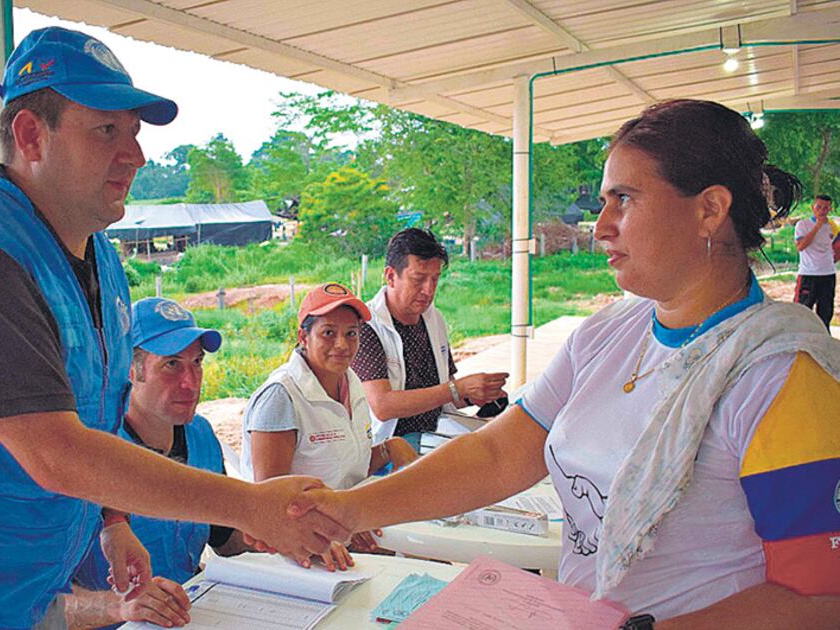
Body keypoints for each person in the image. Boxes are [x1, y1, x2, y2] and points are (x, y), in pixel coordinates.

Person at [287, 100, 840, 627]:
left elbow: (819, 599)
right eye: (605, 201)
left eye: (624, 199)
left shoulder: (780, 375)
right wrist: (349, 510)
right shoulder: (607, 333)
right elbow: (500, 452)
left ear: (709, 209)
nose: (601, 226)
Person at [0, 27, 345, 629]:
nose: (134, 155)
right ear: (31, 135)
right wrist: (249, 506)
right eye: (106, 131)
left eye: (133, 133)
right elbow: (54, 450)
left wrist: (111, 519)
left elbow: (93, 413)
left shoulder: (99, 256)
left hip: (19, 590)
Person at [66, 298, 252, 629]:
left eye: (197, 362)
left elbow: (226, 541)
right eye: (172, 365)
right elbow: (37, 606)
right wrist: (117, 607)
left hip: (196, 615)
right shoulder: (86, 451)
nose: (191, 382)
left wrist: (288, 537)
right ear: (128, 368)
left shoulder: (201, 436)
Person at [241, 283, 418, 570]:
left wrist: (388, 448)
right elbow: (271, 501)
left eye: (351, 333)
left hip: (345, 531)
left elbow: (346, 466)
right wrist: (333, 529)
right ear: (303, 337)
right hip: (302, 550)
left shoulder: (351, 382)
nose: (342, 345)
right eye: (328, 333)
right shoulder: (281, 396)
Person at [351, 229, 508, 451]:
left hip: (437, 432)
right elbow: (382, 406)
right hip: (388, 447)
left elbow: (446, 393)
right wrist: (456, 389)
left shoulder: (433, 318)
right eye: (418, 279)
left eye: (435, 279)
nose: (428, 290)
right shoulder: (366, 326)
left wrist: (474, 395)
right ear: (390, 276)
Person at [794, 194, 836, 328]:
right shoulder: (803, 224)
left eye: (825, 208)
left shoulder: (833, 226)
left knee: (825, 313)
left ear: (830, 209)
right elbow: (800, 246)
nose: (822, 211)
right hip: (808, 274)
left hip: (828, 274)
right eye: (819, 207)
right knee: (803, 311)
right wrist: (817, 226)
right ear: (813, 208)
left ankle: (823, 341)